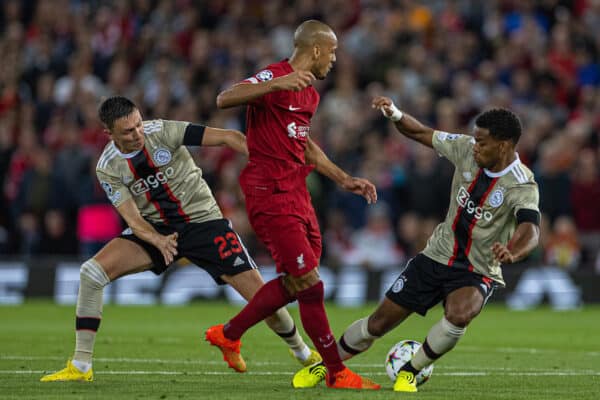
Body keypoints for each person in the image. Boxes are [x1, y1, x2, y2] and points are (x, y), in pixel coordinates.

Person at [40, 96, 320, 382]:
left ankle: (303, 353)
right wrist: (158, 241)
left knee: (261, 297)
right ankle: (81, 366)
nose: (138, 134)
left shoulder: (163, 131)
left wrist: (271, 164)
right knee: (91, 273)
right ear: (109, 134)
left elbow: (229, 137)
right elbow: (133, 218)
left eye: (138, 125)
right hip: (155, 229)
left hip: (205, 223)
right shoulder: (108, 167)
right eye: (128, 131)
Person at [293, 95, 541, 392]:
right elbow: (421, 133)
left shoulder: (521, 183)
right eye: (475, 140)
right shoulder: (465, 149)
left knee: (461, 313)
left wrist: (513, 251)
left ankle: (410, 371)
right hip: (436, 255)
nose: (475, 146)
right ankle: (327, 366)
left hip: (478, 267)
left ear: (503, 145)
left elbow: (531, 229)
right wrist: (395, 113)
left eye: (483, 142)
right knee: (378, 323)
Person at [205, 20, 380, 390]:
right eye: (332, 52)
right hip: (269, 192)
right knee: (311, 287)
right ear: (315, 49)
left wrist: (343, 178)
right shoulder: (277, 75)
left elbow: (305, 145)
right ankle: (336, 371)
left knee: (295, 281)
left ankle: (229, 333)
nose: (334, 60)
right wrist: (274, 84)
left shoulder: (310, 94)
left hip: (297, 191)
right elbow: (224, 98)